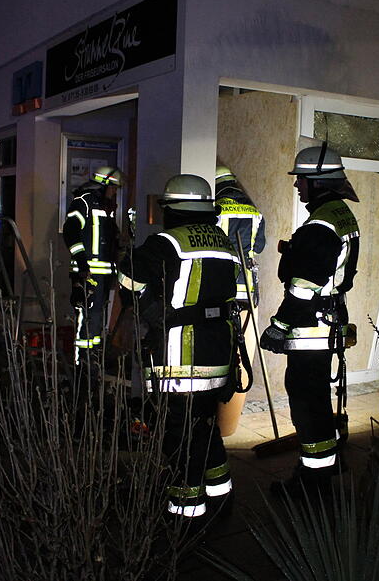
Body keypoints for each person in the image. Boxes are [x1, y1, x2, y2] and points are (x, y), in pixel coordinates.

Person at [118, 174, 239, 523]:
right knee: (205, 427)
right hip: (217, 354)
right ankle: (221, 496)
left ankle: (184, 513)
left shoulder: (166, 243)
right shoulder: (222, 241)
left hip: (181, 360)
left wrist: (149, 305)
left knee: (179, 435)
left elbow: (128, 278)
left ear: (172, 209)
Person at [260, 144, 360, 496]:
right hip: (327, 321)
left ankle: (311, 485)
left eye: (301, 179)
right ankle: (325, 467)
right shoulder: (340, 214)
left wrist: (278, 326)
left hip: (310, 328)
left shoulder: (320, 224)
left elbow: (304, 287)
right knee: (317, 399)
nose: (297, 185)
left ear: (318, 182)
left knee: (307, 403)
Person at [214, 165, 265, 436]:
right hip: (247, 290)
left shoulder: (217, 207)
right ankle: (229, 424)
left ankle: (217, 422)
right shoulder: (254, 211)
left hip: (223, 289)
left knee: (220, 354)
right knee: (242, 356)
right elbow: (259, 247)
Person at [62, 166, 123, 371]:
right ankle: (82, 368)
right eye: (113, 188)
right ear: (104, 184)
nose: (115, 192)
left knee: (97, 319)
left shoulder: (105, 206)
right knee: (87, 318)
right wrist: (81, 262)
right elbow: (70, 231)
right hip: (89, 273)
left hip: (104, 274)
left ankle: (93, 363)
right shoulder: (84, 202)